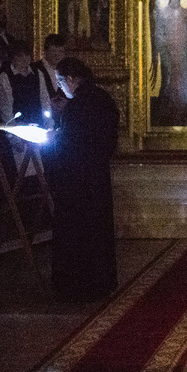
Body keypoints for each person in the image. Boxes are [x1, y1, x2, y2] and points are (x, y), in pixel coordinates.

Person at [45, 56, 120, 301]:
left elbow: (70, 145)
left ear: (71, 79)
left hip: (76, 181)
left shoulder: (77, 105)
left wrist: (54, 140)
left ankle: (77, 286)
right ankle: (102, 281)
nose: (59, 87)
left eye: (60, 81)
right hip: (97, 175)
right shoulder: (103, 98)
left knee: (77, 232)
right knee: (97, 229)